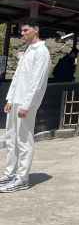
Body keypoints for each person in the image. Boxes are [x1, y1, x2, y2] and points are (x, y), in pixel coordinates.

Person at [0, 21, 51, 193]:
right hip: (16, 100)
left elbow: (36, 82)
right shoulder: (29, 50)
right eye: (21, 31)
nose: (23, 33)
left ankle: (22, 178)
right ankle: (10, 173)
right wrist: (9, 98)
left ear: (36, 30)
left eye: (26, 30)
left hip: (25, 104)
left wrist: (27, 105)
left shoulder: (42, 52)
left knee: (23, 140)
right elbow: (18, 77)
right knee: (11, 138)